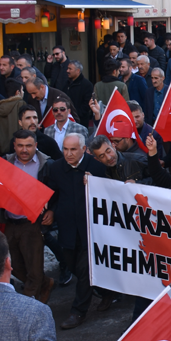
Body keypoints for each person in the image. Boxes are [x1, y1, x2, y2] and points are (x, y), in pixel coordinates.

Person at [43, 133, 109, 329]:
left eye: (73, 149)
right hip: (68, 228)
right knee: (72, 265)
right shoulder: (56, 168)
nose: (68, 153)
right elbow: (52, 194)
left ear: (83, 149)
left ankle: (78, 311)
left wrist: (96, 184)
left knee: (85, 270)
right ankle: (107, 293)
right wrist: (52, 211)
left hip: (91, 228)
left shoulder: (97, 166)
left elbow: (109, 194)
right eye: (65, 149)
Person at [1, 130, 55, 303]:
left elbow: (56, 192)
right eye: (20, 146)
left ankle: (31, 305)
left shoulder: (46, 165)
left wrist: (51, 210)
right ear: (14, 146)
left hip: (32, 223)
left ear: (36, 146)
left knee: (34, 269)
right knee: (14, 266)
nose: (24, 150)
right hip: (10, 222)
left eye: (28, 146)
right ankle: (46, 283)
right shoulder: (5, 163)